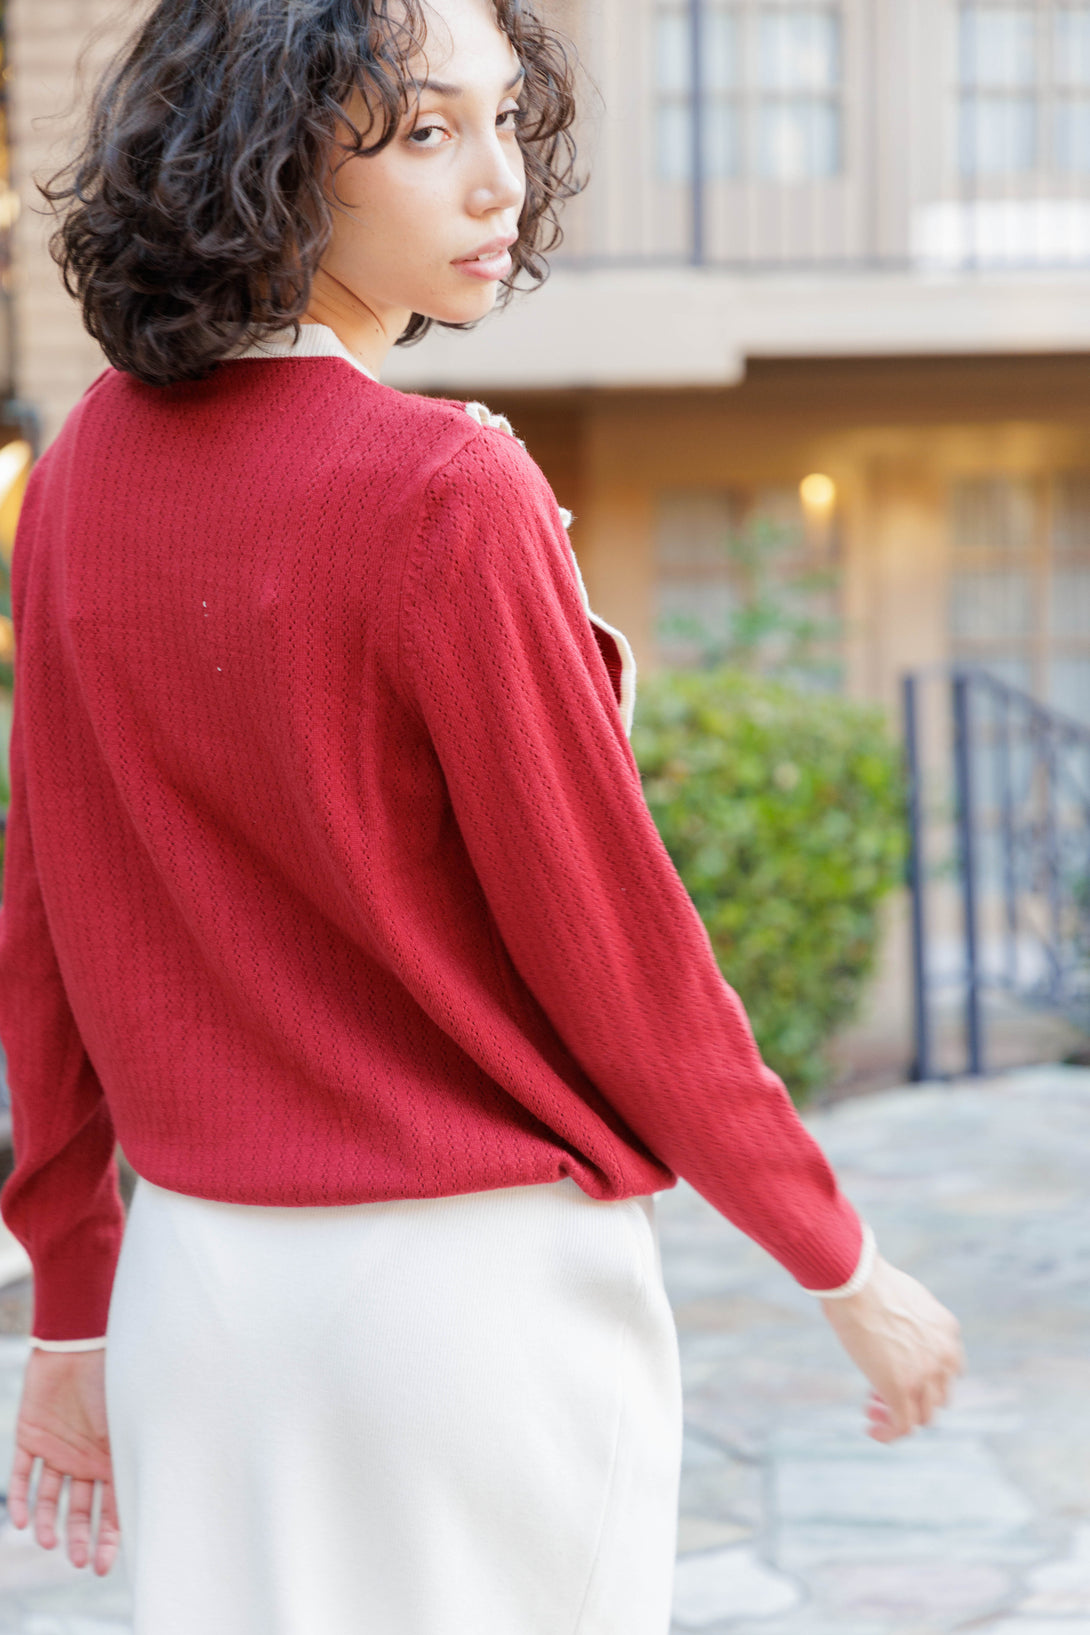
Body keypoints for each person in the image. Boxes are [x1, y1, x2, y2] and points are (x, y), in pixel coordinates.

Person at [0, 0, 965, 1628]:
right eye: (427, 130)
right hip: (465, 1305)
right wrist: (839, 1263)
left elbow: (47, 930)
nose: (496, 182)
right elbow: (621, 951)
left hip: (202, 1303)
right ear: (272, 156)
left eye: (506, 120)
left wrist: (77, 1317)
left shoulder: (82, 468)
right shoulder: (447, 486)